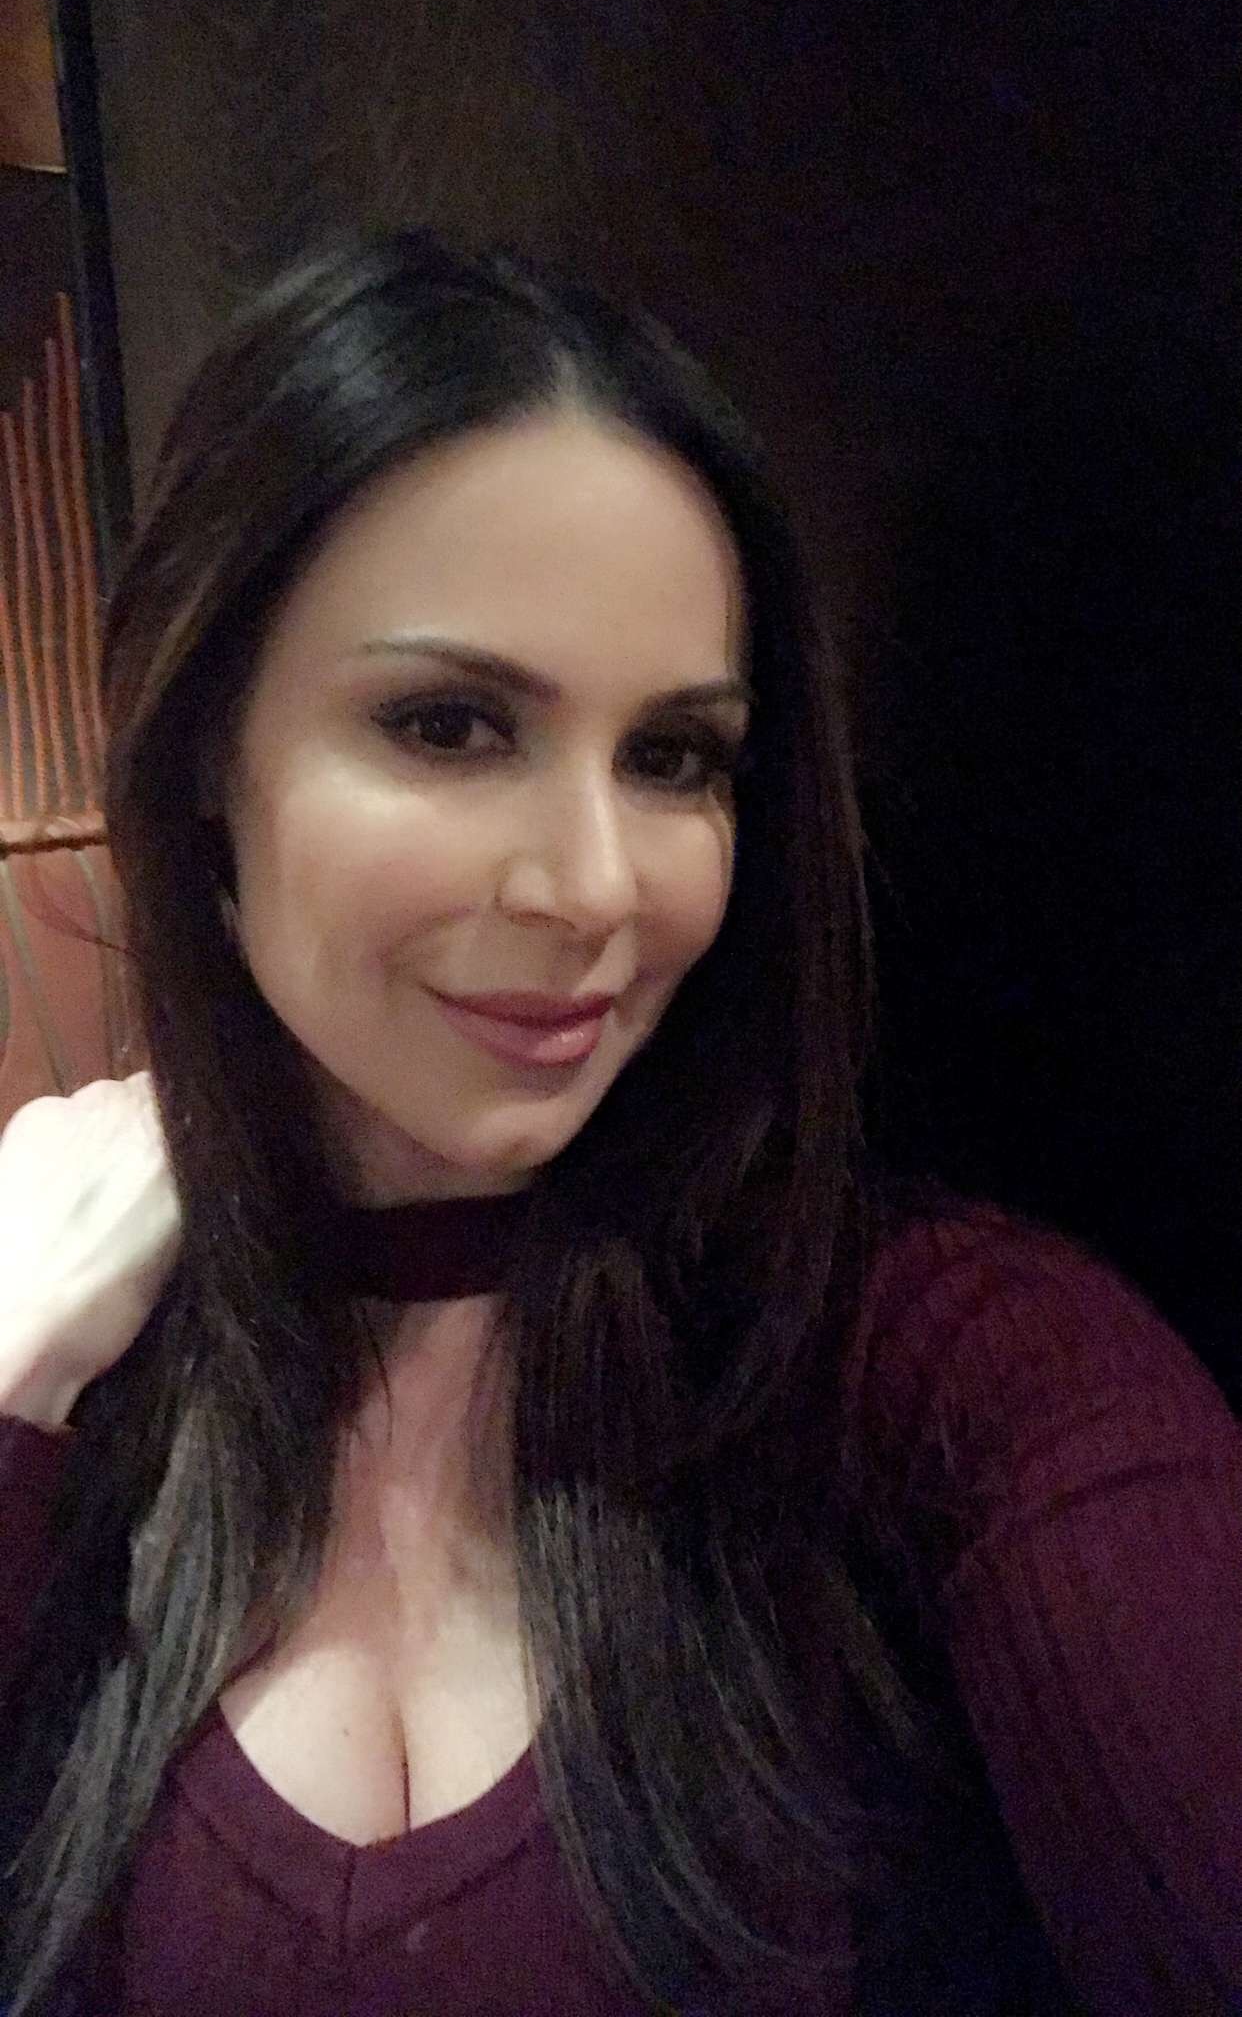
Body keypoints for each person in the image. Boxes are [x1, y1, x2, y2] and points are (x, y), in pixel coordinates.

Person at [0, 230, 1238, 2017]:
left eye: (673, 758)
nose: (594, 888)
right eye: (448, 724)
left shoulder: (949, 1375)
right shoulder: (75, 1362)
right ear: (203, 747)